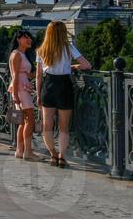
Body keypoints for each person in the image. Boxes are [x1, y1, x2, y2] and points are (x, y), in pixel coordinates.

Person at [36, 21, 91, 168]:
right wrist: (71, 67)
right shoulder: (68, 48)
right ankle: (61, 156)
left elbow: (38, 75)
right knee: (64, 126)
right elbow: (86, 65)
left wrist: (37, 94)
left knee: (47, 125)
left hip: (48, 86)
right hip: (64, 86)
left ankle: (52, 154)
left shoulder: (42, 50)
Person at [8, 30, 38, 161]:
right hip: (20, 88)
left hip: (22, 86)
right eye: (26, 38)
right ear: (18, 39)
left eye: (29, 37)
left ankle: (20, 150)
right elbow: (14, 75)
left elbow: (27, 74)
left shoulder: (22, 55)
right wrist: (15, 95)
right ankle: (28, 151)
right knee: (30, 119)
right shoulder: (17, 55)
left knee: (23, 121)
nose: (29, 40)